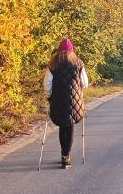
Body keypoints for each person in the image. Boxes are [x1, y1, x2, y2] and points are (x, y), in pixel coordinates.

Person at [43, 38, 88, 169]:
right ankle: (66, 157)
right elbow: (84, 83)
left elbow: (47, 84)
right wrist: (78, 90)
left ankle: (64, 155)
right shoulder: (78, 63)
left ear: (58, 50)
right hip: (75, 101)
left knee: (63, 126)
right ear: (71, 51)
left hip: (58, 100)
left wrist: (49, 97)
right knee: (70, 126)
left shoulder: (53, 64)